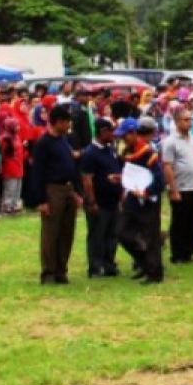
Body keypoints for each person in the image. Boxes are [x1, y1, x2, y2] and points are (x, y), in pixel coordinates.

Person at [30, 104, 84, 285]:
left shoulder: (63, 140)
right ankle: (49, 272)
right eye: (67, 122)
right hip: (53, 190)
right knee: (51, 233)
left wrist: (76, 191)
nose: (69, 125)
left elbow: (72, 166)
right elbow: (37, 172)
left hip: (68, 189)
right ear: (58, 122)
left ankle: (62, 270)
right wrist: (41, 200)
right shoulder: (44, 143)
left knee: (67, 232)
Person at [117, 117, 166, 284]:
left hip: (147, 200)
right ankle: (144, 262)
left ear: (133, 133)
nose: (123, 139)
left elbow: (159, 179)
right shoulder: (127, 152)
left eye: (125, 135)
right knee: (121, 232)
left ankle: (154, 273)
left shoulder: (148, 152)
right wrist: (120, 179)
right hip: (132, 198)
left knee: (150, 236)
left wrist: (146, 192)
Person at [79, 118, 123, 276]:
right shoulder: (90, 153)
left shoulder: (109, 149)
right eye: (111, 131)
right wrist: (91, 202)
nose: (113, 135)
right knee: (97, 234)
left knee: (112, 234)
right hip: (99, 201)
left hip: (112, 200)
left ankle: (109, 263)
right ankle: (96, 266)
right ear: (103, 132)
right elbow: (87, 179)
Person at [161, 106, 193, 265]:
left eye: (191, 119)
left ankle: (189, 252)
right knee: (180, 222)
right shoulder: (170, 142)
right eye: (186, 120)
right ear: (177, 122)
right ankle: (177, 254)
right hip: (180, 188)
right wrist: (173, 189)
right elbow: (167, 166)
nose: (190, 123)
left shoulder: (192, 139)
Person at [0, 118, 25, 215]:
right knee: (10, 188)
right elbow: (3, 153)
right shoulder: (5, 138)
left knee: (17, 188)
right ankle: (6, 207)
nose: (18, 127)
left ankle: (14, 206)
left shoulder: (17, 137)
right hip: (10, 166)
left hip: (18, 165)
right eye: (16, 126)